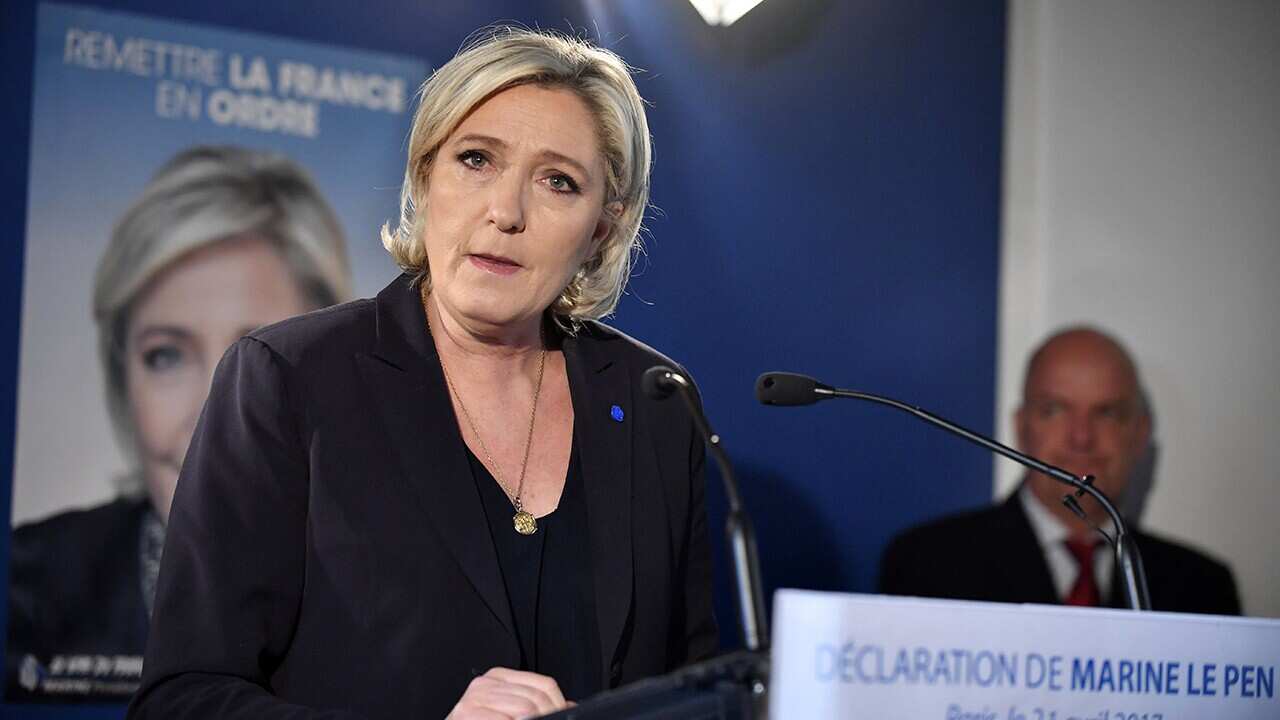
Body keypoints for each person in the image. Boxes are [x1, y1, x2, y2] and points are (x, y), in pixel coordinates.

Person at [128, 28, 718, 720]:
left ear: (602, 229)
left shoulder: (654, 402)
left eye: (559, 181)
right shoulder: (289, 380)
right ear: (424, 179)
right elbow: (181, 700)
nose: (506, 212)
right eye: (476, 160)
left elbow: (694, 689)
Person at [5, 146, 353, 701]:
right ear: (123, 381)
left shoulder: (401, 579)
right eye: (166, 355)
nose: (209, 409)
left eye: (259, 354)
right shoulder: (25, 583)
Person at [879, 327, 1241, 615]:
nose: (1081, 437)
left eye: (1107, 413)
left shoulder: (1202, 587)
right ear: (1021, 427)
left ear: (1140, 433)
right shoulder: (927, 565)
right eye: (1055, 410)